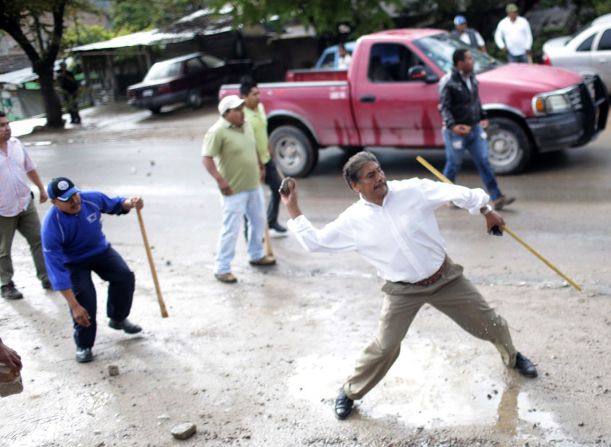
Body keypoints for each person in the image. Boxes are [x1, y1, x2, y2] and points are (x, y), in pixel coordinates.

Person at [280, 151, 538, 420]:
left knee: (490, 322)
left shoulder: (413, 190)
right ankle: (349, 392)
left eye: (379, 170)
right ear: (356, 186)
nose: (380, 177)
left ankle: (513, 357)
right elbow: (316, 242)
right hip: (402, 290)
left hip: (445, 278)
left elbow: (458, 192)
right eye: (371, 175)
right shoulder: (352, 221)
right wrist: (292, 208)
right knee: (385, 346)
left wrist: (486, 210)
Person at [41, 177, 143, 363]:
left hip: (100, 251)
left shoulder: (90, 198)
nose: (75, 201)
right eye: (67, 199)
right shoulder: (51, 226)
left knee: (124, 277)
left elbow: (116, 204)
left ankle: (117, 318)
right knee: (85, 302)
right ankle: (84, 344)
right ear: (54, 203)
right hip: (73, 262)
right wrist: (74, 305)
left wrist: (131, 203)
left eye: (74, 194)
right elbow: (57, 271)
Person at [202, 95, 276, 284]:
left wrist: (260, 166)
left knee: (259, 221)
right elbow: (207, 159)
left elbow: (253, 148)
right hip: (233, 189)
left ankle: (256, 255)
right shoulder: (217, 131)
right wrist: (220, 181)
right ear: (226, 113)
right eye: (237, 109)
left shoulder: (246, 125)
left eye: (242, 108)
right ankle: (222, 268)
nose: (242, 112)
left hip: (253, 185)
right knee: (231, 229)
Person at [439, 49, 514, 211]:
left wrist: (482, 115)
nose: (472, 61)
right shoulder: (448, 81)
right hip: (455, 133)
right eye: (469, 59)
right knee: (453, 164)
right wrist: (453, 126)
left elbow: (475, 100)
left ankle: (496, 197)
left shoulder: (472, 78)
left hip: (474, 129)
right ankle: (448, 197)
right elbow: (444, 107)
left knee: (484, 161)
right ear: (460, 63)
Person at [0, 111, 50, 300]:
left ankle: (46, 278)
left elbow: (29, 167)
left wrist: (41, 189)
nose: (7, 128)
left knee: (38, 240)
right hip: (3, 210)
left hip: (24, 202)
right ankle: (6, 284)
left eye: (7, 124)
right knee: (3, 249)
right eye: (2, 125)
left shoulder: (16, 144)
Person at [240, 78, 287, 237]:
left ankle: (272, 221)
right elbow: (247, 143)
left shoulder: (259, 107)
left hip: (266, 158)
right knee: (252, 200)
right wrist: (259, 165)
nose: (258, 97)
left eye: (258, 93)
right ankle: (250, 234)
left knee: (279, 188)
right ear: (244, 96)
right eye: (254, 94)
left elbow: (262, 130)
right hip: (253, 163)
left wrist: (268, 147)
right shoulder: (242, 115)